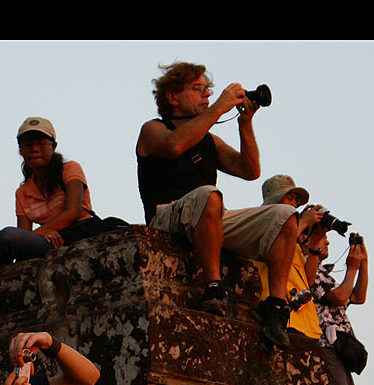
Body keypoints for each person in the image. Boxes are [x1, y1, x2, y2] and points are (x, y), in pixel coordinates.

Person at [136, 62, 321, 348]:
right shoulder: (153, 128)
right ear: (172, 97)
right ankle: (213, 287)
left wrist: (245, 125)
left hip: (209, 213)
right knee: (209, 195)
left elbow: (249, 170)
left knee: (285, 215)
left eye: (207, 90)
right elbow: (174, 145)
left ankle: (275, 304)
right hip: (166, 215)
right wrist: (219, 108)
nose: (206, 96)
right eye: (198, 89)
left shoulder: (210, 139)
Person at [0, 117, 111, 297]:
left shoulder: (69, 169)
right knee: (8, 239)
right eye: (28, 144)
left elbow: (73, 212)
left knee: (7, 236)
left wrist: (40, 233)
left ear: (53, 147)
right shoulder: (23, 192)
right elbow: (22, 238)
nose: (35, 148)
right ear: (21, 151)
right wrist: (40, 236)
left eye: (41, 143)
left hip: (80, 234)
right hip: (51, 243)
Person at [308, 230, 368, 385]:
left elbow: (359, 296)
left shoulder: (325, 273)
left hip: (340, 349)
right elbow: (340, 298)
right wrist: (351, 269)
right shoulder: (309, 270)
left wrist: (363, 263)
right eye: (322, 236)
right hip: (326, 345)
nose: (328, 241)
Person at [250, 175, 327, 340]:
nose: (294, 205)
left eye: (296, 201)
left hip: (306, 323)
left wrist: (315, 243)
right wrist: (304, 222)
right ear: (274, 202)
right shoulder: (263, 224)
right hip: (280, 317)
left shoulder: (293, 238)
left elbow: (309, 280)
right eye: (290, 198)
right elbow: (276, 239)